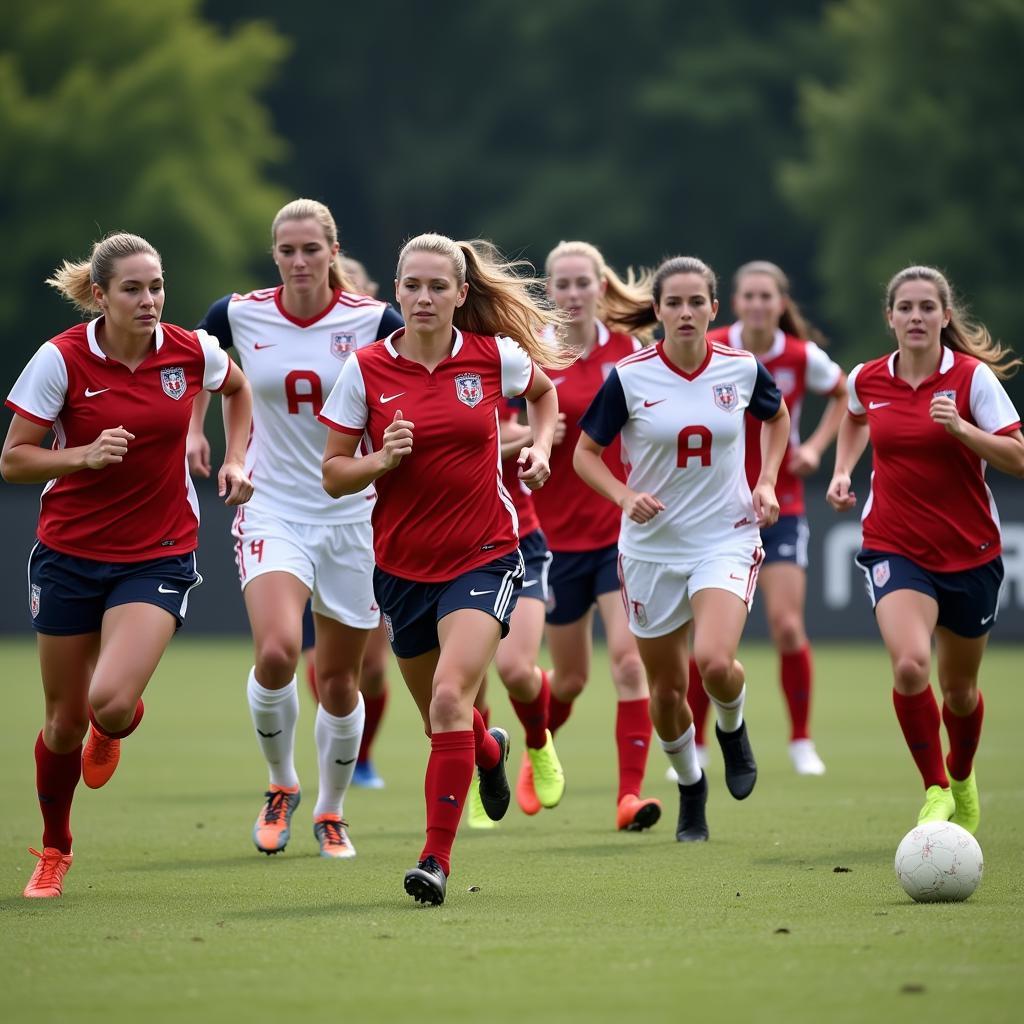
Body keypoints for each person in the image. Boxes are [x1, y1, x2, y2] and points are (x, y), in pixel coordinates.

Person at [3, 232, 253, 898]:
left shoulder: (190, 349)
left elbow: (238, 388)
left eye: (157, 286)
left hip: (159, 553)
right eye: (133, 289)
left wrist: (229, 456)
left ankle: (117, 722)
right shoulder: (60, 360)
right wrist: (79, 456)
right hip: (67, 556)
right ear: (101, 296)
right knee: (62, 722)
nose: (149, 300)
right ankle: (56, 849)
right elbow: (14, 459)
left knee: (107, 705)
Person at [320, 232, 565, 905]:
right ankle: (489, 752)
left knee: (451, 698)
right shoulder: (365, 369)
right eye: (412, 286)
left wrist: (540, 449)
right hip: (400, 568)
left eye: (438, 286)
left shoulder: (494, 358)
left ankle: (435, 860)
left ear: (461, 294)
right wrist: (379, 461)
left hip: (484, 553)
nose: (424, 297)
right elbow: (334, 474)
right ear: (396, 292)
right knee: (442, 724)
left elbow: (545, 397)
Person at [187, 198, 403, 859]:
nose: (300, 260)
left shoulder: (374, 321)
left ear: (334, 252)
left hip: (355, 515)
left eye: (312, 248)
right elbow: (197, 360)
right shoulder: (238, 312)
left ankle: (332, 813)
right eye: (288, 249)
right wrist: (200, 432)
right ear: (274, 253)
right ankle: (281, 785)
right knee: (279, 652)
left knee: (340, 680)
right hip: (273, 505)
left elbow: (420, 385)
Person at [575, 255, 789, 842]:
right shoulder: (630, 377)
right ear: (659, 311)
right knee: (667, 695)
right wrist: (625, 496)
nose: (687, 312)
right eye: (675, 302)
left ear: (714, 309)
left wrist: (767, 479)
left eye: (698, 302)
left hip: (725, 536)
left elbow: (777, 417)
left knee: (715, 662)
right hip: (650, 550)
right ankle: (691, 786)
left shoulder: (742, 369)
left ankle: (732, 727)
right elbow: (584, 456)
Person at [827, 265, 1023, 833]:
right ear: (889, 318)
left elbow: (1016, 457)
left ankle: (961, 775)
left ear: (944, 316)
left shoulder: (972, 380)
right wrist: (843, 472)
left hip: (972, 553)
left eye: (926, 308)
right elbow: (853, 418)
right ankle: (935, 788)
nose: (916, 317)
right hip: (894, 545)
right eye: (905, 308)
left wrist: (962, 430)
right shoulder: (866, 378)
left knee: (960, 692)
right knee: (912, 665)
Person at [682, 262, 846, 776]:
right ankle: (699, 747)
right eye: (748, 295)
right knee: (703, 639)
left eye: (765, 296)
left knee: (787, 625)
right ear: (732, 302)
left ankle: (800, 741)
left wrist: (816, 447)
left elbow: (845, 394)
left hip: (781, 506)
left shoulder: (800, 357)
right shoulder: (715, 347)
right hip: (715, 510)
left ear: (781, 303)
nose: (756, 304)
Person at [531, 240, 663, 832]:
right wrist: (532, 434)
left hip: (618, 533)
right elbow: (495, 429)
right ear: (550, 291)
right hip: (550, 540)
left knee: (629, 665)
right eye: (562, 284)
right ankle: (537, 747)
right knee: (574, 678)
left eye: (584, 282)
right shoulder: (530, 355)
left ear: (601, 287)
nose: (574, 293)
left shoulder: (631, 355)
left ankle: (628, 798)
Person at [467, 400, 565, 827]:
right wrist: (531, 435)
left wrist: (532, 437)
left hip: (519, 543)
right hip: (460, 552)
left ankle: (538, 742)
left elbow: (513, 425)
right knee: (468, 685)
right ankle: (482, 769)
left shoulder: (500, 365)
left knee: (517, 670)